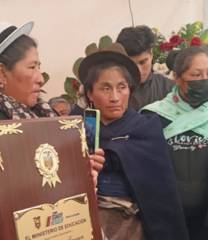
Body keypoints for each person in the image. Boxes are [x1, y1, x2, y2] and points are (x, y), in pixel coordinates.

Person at [0, 21, 105, 211]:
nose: (40, 78)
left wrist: (81, 171)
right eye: (32, 67)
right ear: (1, 73)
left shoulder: (36, 113)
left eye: (39, 67)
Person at [76, 43, 188, 239]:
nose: (115, 97)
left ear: (130, 89)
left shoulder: (146, 128)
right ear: (90, 94)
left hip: (131, 226)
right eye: (105, 88)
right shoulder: (74, 130)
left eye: (122, 87)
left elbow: (161, 195)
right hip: (82, 223)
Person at [142, 46, 208, 240]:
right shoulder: (153, 116)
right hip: (167, 219)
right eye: (196, 74)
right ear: (177, 77)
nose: (204, 80)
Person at [116, 25, 174, 110]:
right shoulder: (112, 93)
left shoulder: (169, 88)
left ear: (151, 54)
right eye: (131, 64)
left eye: (143, 62)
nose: (138, 70)